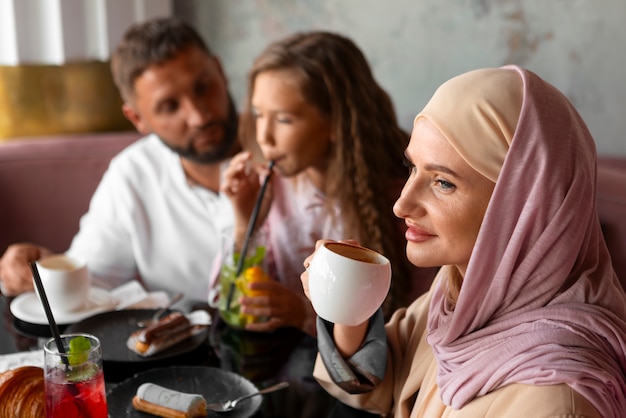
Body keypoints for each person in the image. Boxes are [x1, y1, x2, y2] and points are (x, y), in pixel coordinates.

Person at [301, 65, 626, 417]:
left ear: (523, 206)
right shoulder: (460, 291)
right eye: (412, 168)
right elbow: (380, 380)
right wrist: (350, 305)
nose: (401, 205)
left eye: (443, 183)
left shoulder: (556, 402)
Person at [0, 17, 239, 302]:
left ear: (221, 71)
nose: (199, 116)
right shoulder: (133, 174)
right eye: (169, 106)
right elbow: (90, 282)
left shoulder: (291, 154)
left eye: (203, 87)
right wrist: (36, 270)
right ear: (138, 119)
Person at [218, 31, 438, 336]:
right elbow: (226, 301)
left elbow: (417, 321)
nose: (263, 137)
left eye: (283, 119)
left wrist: (307, 314)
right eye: (258, 115)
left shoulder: (405, 200)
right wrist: (245, 226)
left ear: (336, 122)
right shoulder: (271, 187)